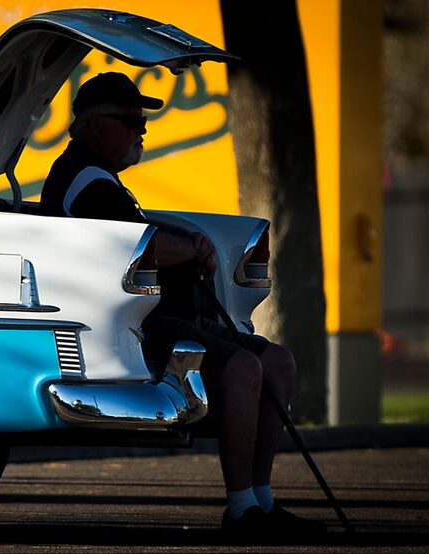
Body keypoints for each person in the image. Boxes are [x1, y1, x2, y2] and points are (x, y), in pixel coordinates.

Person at [41, 72, 326, 535]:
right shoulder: (84, 181)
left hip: (163, 318)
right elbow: (133, 247)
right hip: (132, 329)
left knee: (278, 362)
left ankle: (261, 500)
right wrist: (192, 248)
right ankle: (241, 511)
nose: (142, 130)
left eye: (142, 120)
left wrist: (189, 244)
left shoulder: (98, 179)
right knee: (244, 369)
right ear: (95, 126)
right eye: (130, 120)